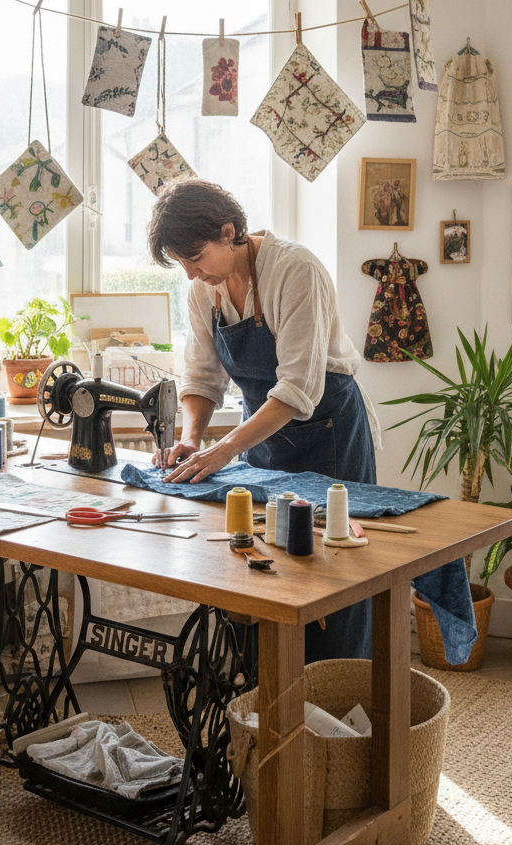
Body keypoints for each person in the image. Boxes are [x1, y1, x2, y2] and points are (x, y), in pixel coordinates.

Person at [146, 179, 381, 663]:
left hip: (330, 431)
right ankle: (264, 696)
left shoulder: (295, 270)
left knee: (333, 569)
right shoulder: (204, 291)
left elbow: (296, 391)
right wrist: (193, 438)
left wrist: (224, 449)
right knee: (263, 564)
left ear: (229, 232)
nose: (191, 273)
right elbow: (202, 377)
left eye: (195, 258)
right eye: (182, 264)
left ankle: (341, 695)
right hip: (262, 437)